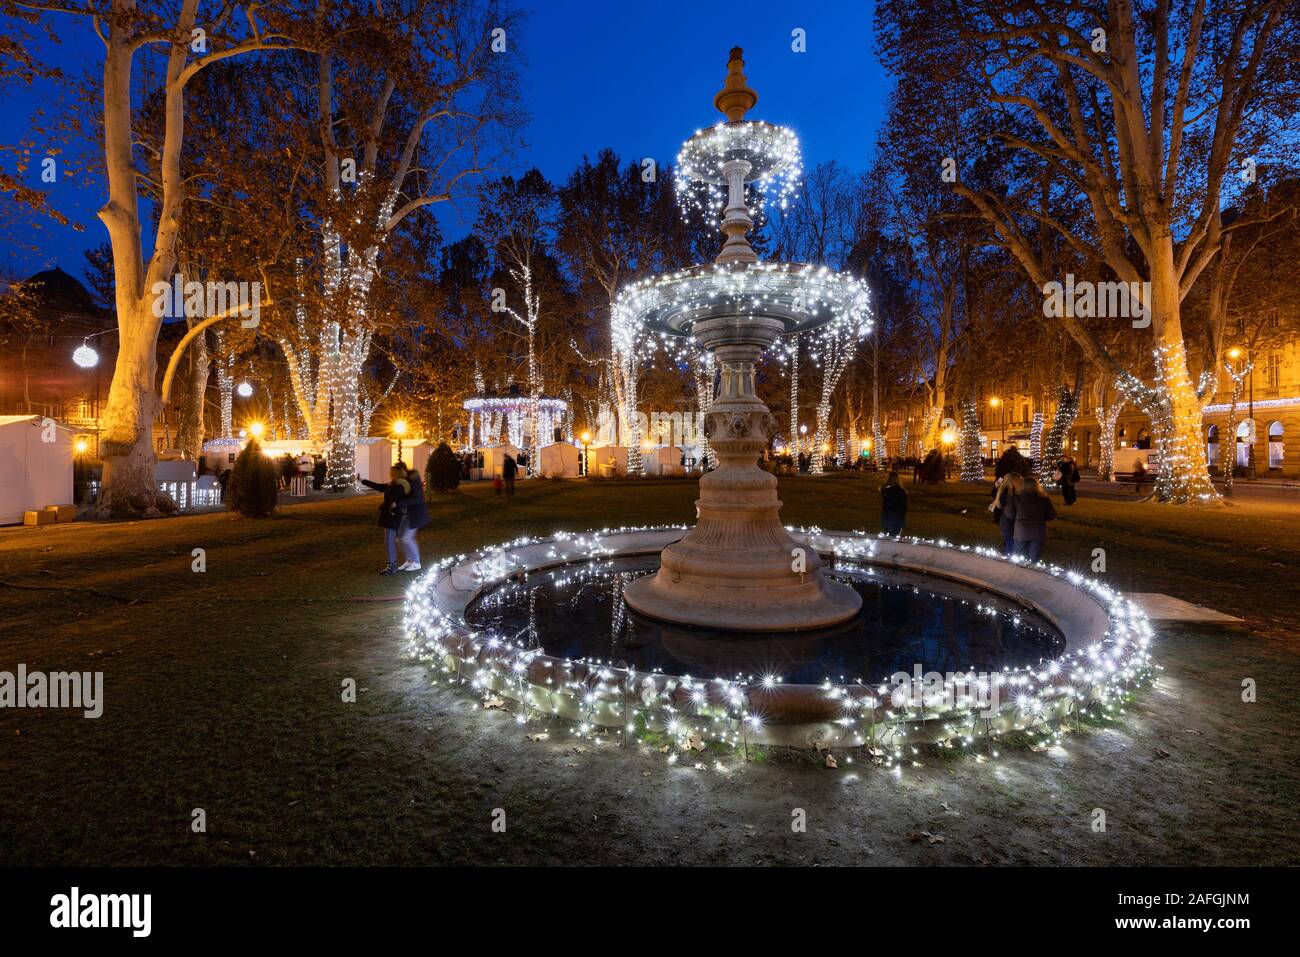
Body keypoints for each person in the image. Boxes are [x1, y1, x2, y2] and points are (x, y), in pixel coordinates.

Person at [361, 464, 413, 575]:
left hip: (392, 516)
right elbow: (380, 487)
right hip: (390, 515)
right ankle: (393, 564)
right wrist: (364, 481)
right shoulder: (394, 484)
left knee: (390, 541)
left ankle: (392, 566)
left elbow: (392, 502)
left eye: (392, 472)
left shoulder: (399, 486)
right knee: (389, 541)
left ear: (396, 473)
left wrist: (382, 506)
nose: (390, 474)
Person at [1003, 475, 1057, 562]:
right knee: (1034, 559)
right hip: (1038, 532)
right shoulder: (1044, 499)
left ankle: (1020, 574)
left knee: (1020, 558)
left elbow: (1009, 514)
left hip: (1021, 531)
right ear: (1037, 485)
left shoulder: (1016, 497)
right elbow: (1051, 516)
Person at [394, 463, 429, 571]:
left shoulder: (412, 479)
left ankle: (416, 562)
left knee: (406, 538)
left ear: (403, 470)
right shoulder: (405, 479)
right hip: (409, 513)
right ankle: (409, 560)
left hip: (416, 513)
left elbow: (417, 499)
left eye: (397, 473)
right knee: (399, 539)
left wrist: (398, 504)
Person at [990, 473, 1022, 555]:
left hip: (1004, 520)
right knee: (1010, 542)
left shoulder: (1003, 489)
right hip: (1008, 520)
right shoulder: (1008, 492)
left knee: (1009, 540)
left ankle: (1010, 555)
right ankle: (1010, 557)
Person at [880, 471, 908, 536]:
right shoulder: (901, 491)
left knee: (887, 537)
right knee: (895, 538)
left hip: (887, 517)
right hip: (897, 518)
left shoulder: (885, 490)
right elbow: (904, 506)